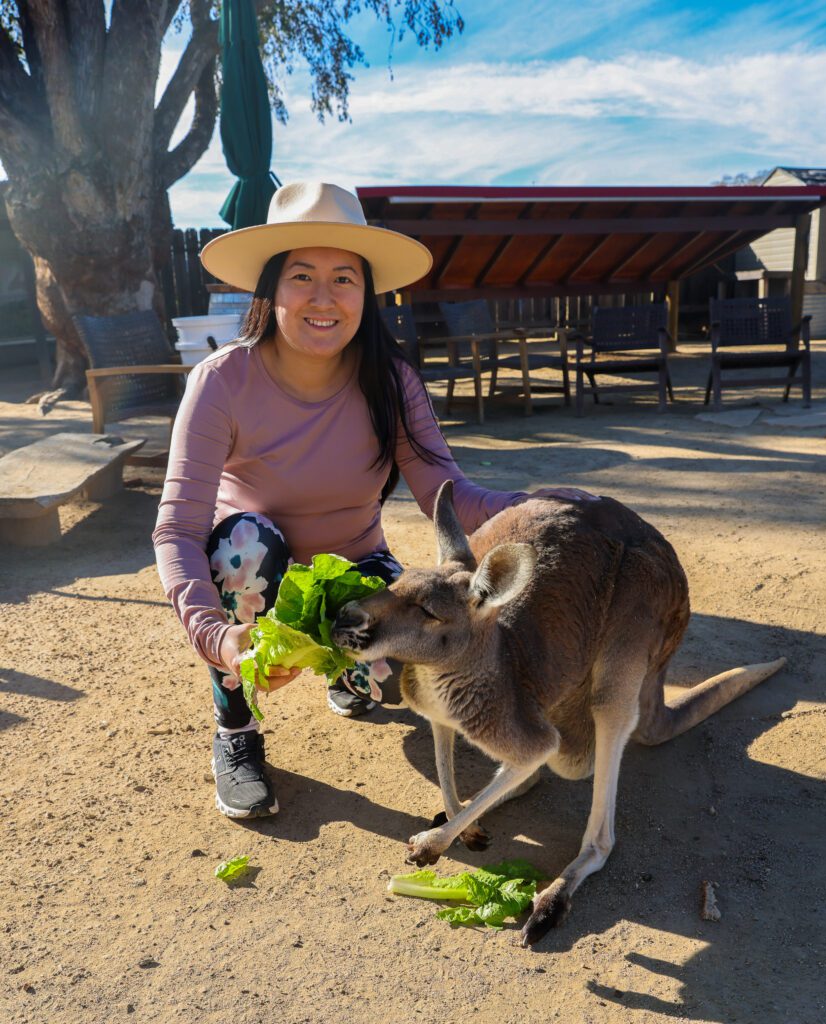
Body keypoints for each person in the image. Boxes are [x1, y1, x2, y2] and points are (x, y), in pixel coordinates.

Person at [153, 182, 595, 821]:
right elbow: (177, 529)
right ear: (271, 290)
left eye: (344, 279)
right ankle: (236, 726)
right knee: (245, 543)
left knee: (406, 675)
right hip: (258, 578)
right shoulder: (222, 381)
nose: (324, 297)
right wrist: (217, 638)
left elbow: (447, 493)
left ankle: (344, 668)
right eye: (302, 276)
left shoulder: (390, 380)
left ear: (366, 294)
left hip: (355, 575)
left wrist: (538, 503)